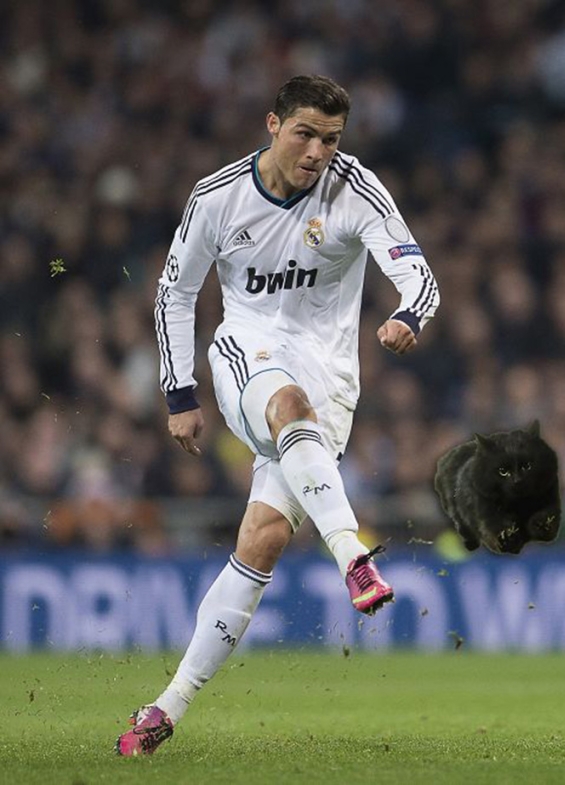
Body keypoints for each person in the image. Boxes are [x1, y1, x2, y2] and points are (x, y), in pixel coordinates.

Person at [115, 75, 439, 756]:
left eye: (331, 137)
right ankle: (352, 554)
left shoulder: (356, 188)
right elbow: (176, 292)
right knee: (284, 400)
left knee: (260, 539)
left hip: (331, 378)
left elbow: (418, 274)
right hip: (247, 349)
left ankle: (163, 709)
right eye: (305, 133)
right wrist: (179, 392)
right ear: (272, 124)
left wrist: (409, 313)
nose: (319, 150)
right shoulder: (218, 196)